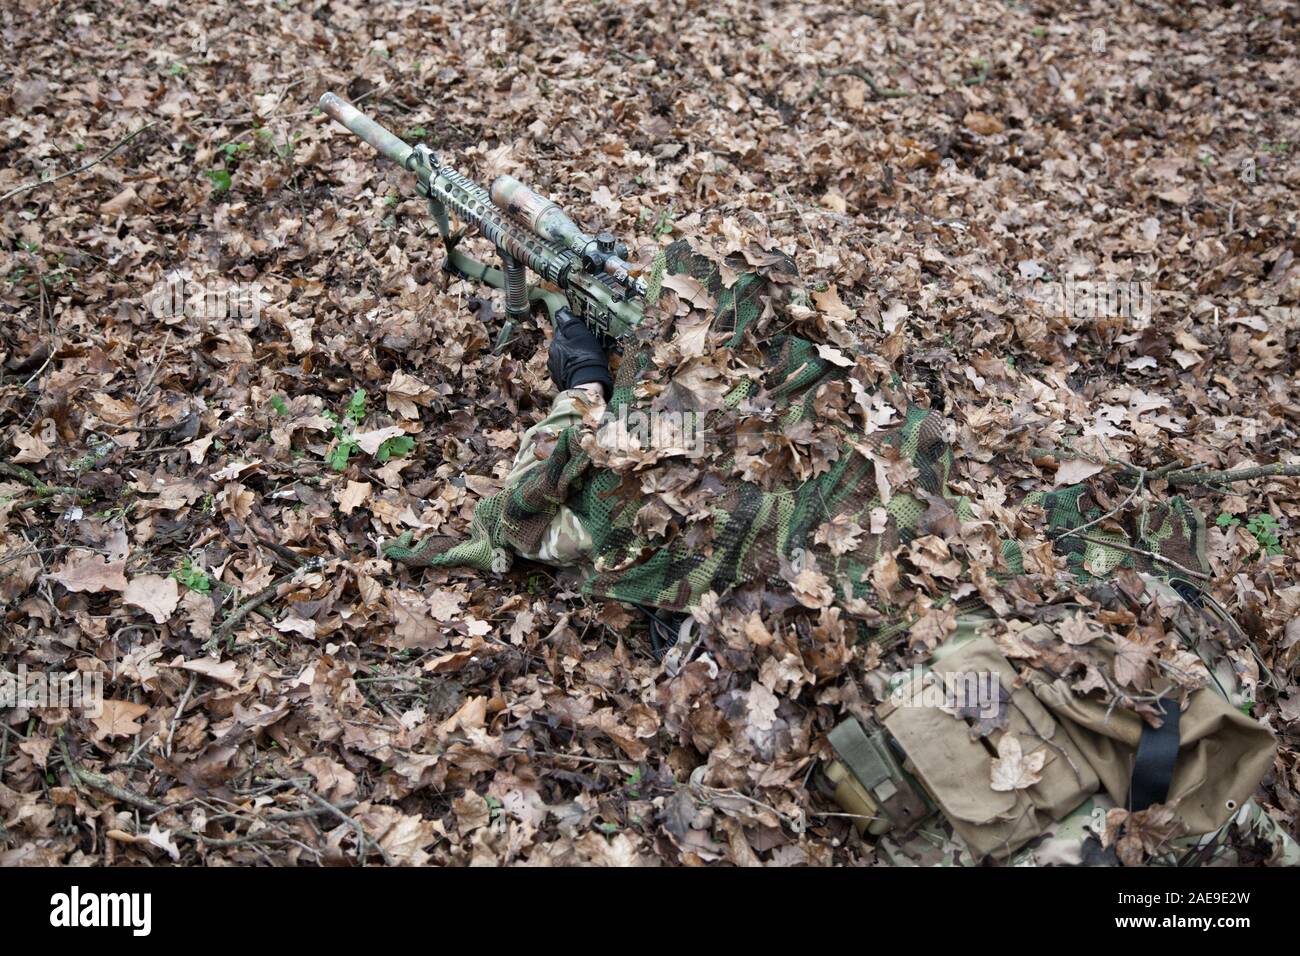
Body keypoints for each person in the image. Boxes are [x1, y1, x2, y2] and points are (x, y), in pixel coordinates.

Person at [384, 239, 1298, 866]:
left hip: (998, 763)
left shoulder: (652, 490)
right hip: (1087, 724)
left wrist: (580, 393)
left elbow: (518, 525)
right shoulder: (883, 422)